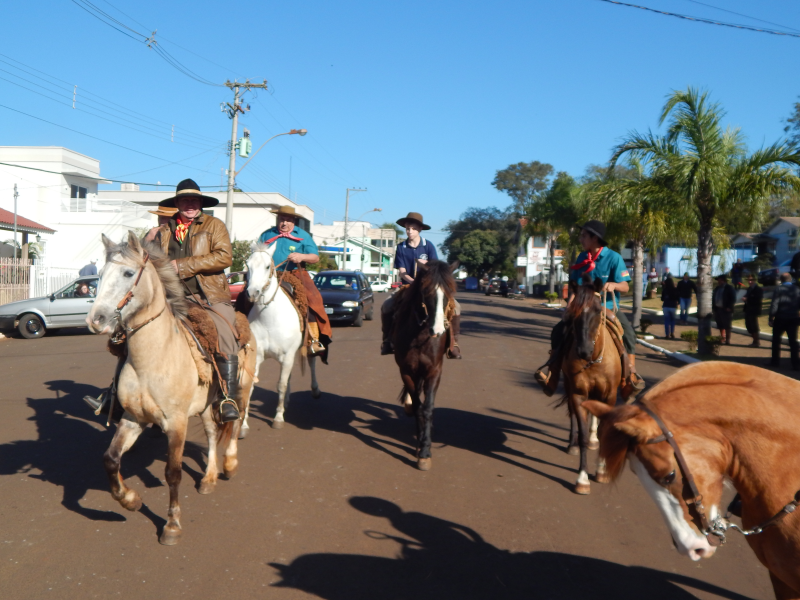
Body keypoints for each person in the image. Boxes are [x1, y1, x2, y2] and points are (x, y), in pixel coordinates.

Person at [83, 179, 242, 423]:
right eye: (185, 200)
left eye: (194, 200)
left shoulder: (214, 225)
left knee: (224, 332)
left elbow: (224, 256)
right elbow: (148, 262)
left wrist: (183, 266)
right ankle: (114, 396)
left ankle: (226, 397)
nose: (190, 204)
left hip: (208, 295)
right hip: (172, 296)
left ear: (200, 203)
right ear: (177, 203)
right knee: (130, 336)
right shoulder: (165, 231)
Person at [534, 220, 645, 397]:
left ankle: (628, 379)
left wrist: (613, 285)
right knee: (558, 331)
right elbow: (575, 287)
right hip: (582, 307)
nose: (581, 239)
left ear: (595, 238)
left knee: (629, 335)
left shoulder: (613, 257)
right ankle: (552, 376)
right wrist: (568, 307)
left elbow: (625, 286)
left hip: (606, 307)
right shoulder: (582, 258)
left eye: (584, 236)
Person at [380, 211, 462, 359]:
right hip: (407, 285)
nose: (410, 231)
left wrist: (426, 281)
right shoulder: (401, 247)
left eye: (413, 228)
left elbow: (435, 269)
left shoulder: (428, 246)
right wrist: (413, 282)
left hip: (427, 286)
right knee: (387, 305)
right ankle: (387, 340)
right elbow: (402, 271)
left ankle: (453, 343)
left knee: (455, 306)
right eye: (407, 228)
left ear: (420, 229)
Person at [258, 205, 332, 358]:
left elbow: (315, 257)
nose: (284, 223)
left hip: (296, 273)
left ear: (293, 221)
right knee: (245, 296)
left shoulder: (303, 236)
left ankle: (314, 340)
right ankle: (242, 335)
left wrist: (301, 256)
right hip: (269, 275)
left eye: (287, 219)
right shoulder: (266, 235)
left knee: (313, 299)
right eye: (281, 219)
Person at [768, 272, 800, 370]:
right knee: (793, 342)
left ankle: (775, 361)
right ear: (790, 279)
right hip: (793, 318)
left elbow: (775, 304)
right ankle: (795, 364)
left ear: (781, 280)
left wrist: (771, 317)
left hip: (781, 318)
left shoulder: (778, 289)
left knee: (776, 340)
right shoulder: (797, 289)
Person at [712, 274, 736, 345]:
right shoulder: (717, 288)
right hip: (718, 309)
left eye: (720, 280)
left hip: (726, 309)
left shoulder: (729, 288)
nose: (718, 281)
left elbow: (733, 298)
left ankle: (727, 340)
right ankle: (722, 338)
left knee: (727, 325)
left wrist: (729, 307)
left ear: (723, 280)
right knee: (720, 324)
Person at [742, 275, 763, 348]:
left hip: (754, 310)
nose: (749, 282)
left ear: (754, 280)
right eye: (749, 280)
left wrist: (748, 299)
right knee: (749, 326)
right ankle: (754, 340)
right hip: (748, 309)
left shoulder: (758, 289)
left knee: (754, 326)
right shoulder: (749, 289)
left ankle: (756, 341)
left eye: (751, 280)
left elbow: (757, 300)